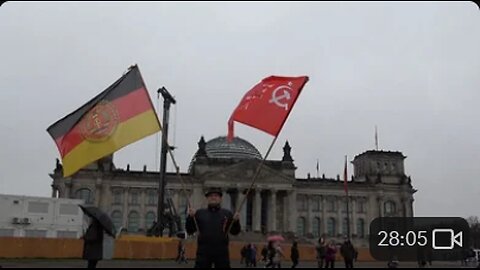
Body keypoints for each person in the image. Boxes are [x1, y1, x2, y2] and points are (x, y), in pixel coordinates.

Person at [186, 187, 241, 268]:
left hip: (222, 251)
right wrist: (190, 217)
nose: (213, 197)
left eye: (216, 195)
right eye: (210, 196)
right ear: (207, 198)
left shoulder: (227, 213)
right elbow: (189, 230)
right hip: (203, 251)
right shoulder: (199, 213)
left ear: (220, 198)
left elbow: (235, 232)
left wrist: (236, 222)